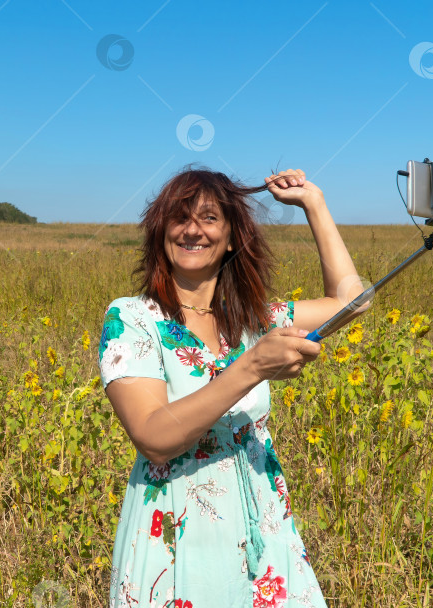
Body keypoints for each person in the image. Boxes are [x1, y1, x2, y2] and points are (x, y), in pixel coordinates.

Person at [97, 166, 367, 608]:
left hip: (262, 524)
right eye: (179, 218)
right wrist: (252, 367)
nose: (192, 230)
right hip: (179, 533)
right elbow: (153, 437)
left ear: (230, 237)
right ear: (160, 232)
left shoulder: (249, 320)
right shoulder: (133, 318)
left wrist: (313, 203)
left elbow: (351, 302)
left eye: (209, 218)